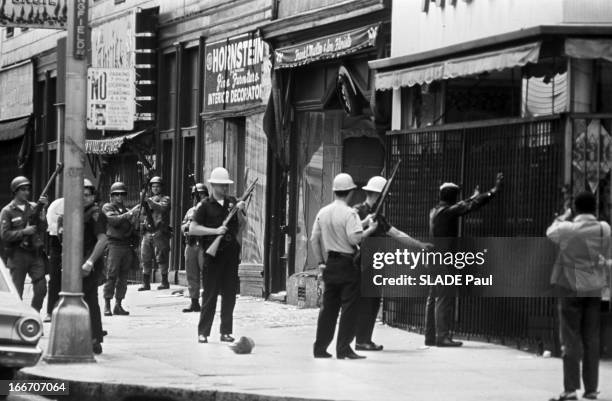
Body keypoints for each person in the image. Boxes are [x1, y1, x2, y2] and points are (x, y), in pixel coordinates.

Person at [354, 176, 433, 351]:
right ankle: (361, 340)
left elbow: (396, 233)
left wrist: (419, 244)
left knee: (374, 303)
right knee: (366, 303)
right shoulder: (357, 212)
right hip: (363, 264)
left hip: (375, 265)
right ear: (376, 194)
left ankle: (365, 338)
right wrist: (368, 226)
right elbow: (350, 234)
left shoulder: (378, 216)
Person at [424, 172, 503, 347]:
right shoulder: (447, 212)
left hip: (433, 259)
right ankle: (442, 336)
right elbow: (470, 206)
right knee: (444, 297)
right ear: (453, 197)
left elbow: (462, 205)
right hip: (443, 260)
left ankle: (430, 336)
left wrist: (471, 197)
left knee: (433, 297)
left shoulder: (436, 210)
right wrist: (492, 191)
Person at [546, 191, 610, 401]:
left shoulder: (566, 229)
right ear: (595, 208)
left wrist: (563, 216)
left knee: (570, 338)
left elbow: (550, 233)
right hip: (593, 288)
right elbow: (607, 255)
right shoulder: (603, 228)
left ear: (576, 208)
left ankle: (571, 389)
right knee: (591, 338)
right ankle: (591, 389)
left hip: (570, 287)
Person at [311, 173, 379, 360]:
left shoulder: (323, 212)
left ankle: (320, 347)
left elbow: (314, 239)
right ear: (349, 192)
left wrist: (321, 262)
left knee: (328, 309)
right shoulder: (350, 213)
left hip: (330, 264)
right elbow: (354, 237)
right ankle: (343, 348)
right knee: (349, 308)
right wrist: (369, 230)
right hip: (347, 265)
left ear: (334, 191)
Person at [190, 167, 246, 344]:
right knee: (210, 295)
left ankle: (226, 331)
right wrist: (215, 230)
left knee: (229, 294)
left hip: (230, 254)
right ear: (213, 185)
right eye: (221, 185)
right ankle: (203, 332)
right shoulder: (204, 205)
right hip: (213, 256)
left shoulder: (232, 202)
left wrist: (242, 211)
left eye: (226, 186)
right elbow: (193, 228)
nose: (224, 189)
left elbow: (242, 226)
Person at [57, 179, 108, 354]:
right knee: (77, 300)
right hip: (73, 262)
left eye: (88, 195)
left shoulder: (95, 214)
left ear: (93, 196)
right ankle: (84, 337)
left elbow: (103, 240)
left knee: (89, 300)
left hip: (88, 262)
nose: (85, 198)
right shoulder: (73, 213)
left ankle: (94, 338)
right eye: (81, 194)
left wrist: (89, 262)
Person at [0, 176, 48, 311]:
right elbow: (5, 235)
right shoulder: (7, 211)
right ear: (15, 191)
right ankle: (19, 322)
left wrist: (42, 218)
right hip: (17, 255)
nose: (26, 192)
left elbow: (43, 229)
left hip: (34, 253)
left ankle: (34, 316)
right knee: (16, 293)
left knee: (41, 288)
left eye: (28, 189)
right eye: (23, 190)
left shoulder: (33, 207)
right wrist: (23, 232)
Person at [102, 181, 139, 316]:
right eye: (116, 194)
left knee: (123, 277)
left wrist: (135, 219)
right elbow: (113, 221)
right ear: (112, 196)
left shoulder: (127, 210)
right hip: (114, 245)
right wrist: (129, 215)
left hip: (125, 245)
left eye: (122, 194)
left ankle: (118, 304)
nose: (119, 197)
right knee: (111, 276)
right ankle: (107, 304)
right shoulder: (108, 207)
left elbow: (133, 229)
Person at [138, 176, 171, 291]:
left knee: (161, 257)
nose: (155, 188)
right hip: (148, 232)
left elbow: (162, 208)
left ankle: (164, 281)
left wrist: (149, 201)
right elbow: (142, 214)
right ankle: (145, 283)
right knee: (145, 257)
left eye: (157, 186)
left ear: (161, 187)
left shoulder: (165, 198)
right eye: (153, 186)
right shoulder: (148, 199)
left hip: (159, 231)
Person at [181, 183, 209, 313]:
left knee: (207, 274)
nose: (199, 197)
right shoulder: (190, 211)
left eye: (202, 194)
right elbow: (183, 225)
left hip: (203, 244)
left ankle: (208, 302)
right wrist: (187, 226)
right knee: (191, 274)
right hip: (191, 244)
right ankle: (194, 301)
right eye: (197, 195)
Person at [44, 196, 64, 322]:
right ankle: (50, 311)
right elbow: (52, 226)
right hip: (57, 242)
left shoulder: (85, 204)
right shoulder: (57, 204)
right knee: (55, 278)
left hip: (78, 242)